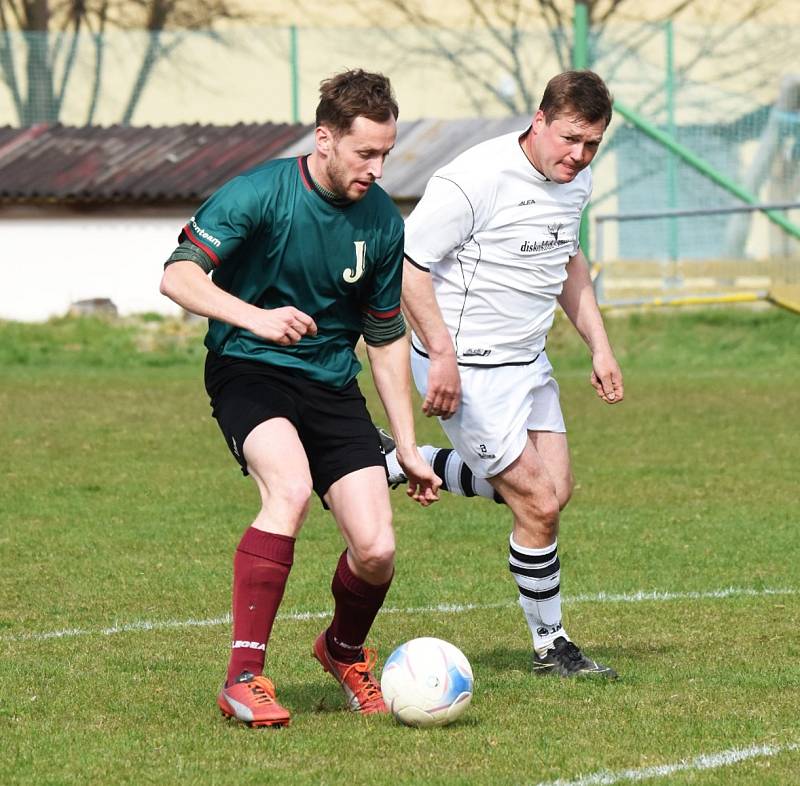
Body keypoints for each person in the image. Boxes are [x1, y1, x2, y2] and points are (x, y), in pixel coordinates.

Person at [160, 68, 440, 728]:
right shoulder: (259, 193)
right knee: (286, 489)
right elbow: (177, 277)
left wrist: (405, 443)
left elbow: (386, 334)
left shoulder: (381, 222)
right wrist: (255, 318)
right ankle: (244, 678)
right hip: (249, 370)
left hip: (330, 385)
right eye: (364, 152)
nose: (376, 168)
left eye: (385, 155)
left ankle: (342, 651)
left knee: (376, 549)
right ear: (325, 138)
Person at [398, 70, 624, 678]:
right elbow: (408, 266)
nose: (578, 156)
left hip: (528, 361)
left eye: (592, 145)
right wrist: (440, 354)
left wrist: (598, 346)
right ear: (540, 119)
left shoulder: (574, 180)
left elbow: (567, 256)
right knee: (538, 503)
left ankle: (403, 462)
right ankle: (551, 645)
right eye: (570, 138)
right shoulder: (473, 180)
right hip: (466, 368)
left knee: (555, 491)